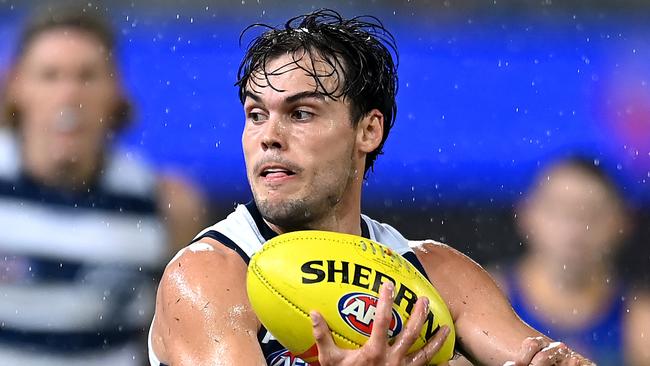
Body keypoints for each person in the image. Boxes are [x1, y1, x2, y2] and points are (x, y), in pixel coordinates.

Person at [149, 9, 593, 366]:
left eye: (301, 113)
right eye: (256, 114)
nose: (269, 135)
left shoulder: (440, 277)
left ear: (368, 130)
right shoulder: (209, 278)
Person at [0, 5, 206, 365]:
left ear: (116, 90)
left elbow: (178, 340)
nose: (68, 95)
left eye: (87, 76)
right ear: (16, 86)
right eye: (50, 75)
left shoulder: (169, 205)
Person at [492, 157, 650, 365]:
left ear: (621, 223)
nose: (575, 229)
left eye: (591, 214)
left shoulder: (642, 323)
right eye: (560, 211)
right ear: (526, 215)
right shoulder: (485, 298)